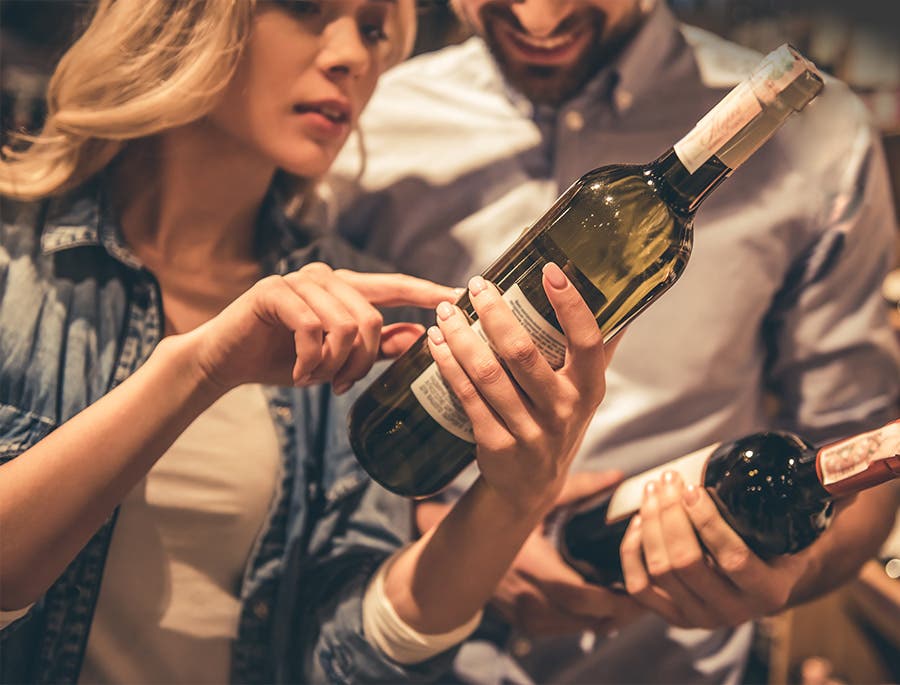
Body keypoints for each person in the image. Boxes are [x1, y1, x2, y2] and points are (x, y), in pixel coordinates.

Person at [0, 0, 620, 683]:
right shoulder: (15, 256)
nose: (353, 56)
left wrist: (511, 502)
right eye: (305, 9)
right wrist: (197, 370)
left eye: (374, 30)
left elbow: (346, 650)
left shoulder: (345, 306)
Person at [322, 0, 900, 682]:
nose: (539, 17)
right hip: (404, 647)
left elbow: (855, 442)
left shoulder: (821, 140)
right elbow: (311, 411)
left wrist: (786, 568)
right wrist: (453, 530)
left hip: (663, 661)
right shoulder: (365, 114)